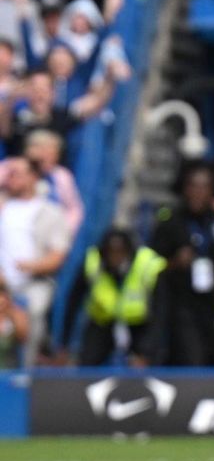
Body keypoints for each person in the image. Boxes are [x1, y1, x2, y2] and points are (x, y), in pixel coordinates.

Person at [151, 163, 214, 366]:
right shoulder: (170, 222)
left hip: (213, 301)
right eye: (193, 186)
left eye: (204, 186)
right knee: (191, 355)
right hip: (181, 303)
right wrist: (173, 263)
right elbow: (149, 263)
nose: (198, 192)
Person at [0, 154, 68, 366]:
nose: (9, 179)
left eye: (16, 174)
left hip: (33, 283)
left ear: (33, 177)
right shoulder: (3, 207)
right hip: (2, 283)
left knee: (33, 315)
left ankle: (26, 376)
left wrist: (29, 266)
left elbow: (57, 256)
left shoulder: (51, 213)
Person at [73, 229, 166, 367]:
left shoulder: (147, 263)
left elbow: (161, 312)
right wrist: (63, 346)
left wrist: (146, 351)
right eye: (112, 252)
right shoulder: (93, 262)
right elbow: (74, 300)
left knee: (149, 360)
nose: (116, 257)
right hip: (103, 322)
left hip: (140, 324)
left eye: (120, 252)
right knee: (88, 360)